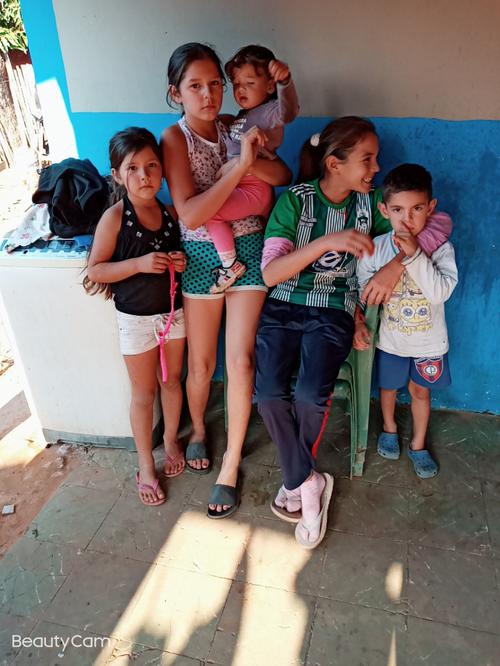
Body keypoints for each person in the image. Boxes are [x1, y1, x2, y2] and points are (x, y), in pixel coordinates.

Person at [254, 116, 451, 548]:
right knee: (267, 395)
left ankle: (297, 483)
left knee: (309, 395)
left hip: (334, 310)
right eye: (367, 159)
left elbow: (437, 226)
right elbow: (270, 273)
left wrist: (394, 266)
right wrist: (327, 242)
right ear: (334, 164)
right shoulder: (296, 202)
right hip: (283, 306)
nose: (376, 168)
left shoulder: (372, 204)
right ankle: (307, 481)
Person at [161, 42, 291, 518]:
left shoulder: (236, 124)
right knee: (201, 364)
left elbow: (282, 172)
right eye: (195, 86)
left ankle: (231, 465)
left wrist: (250, 162)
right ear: (176, 93)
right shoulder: (174, 139)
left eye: (215, 83)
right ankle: (198, 429)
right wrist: (239, 169)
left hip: (251, 249)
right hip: (201, 256)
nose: (209, 94)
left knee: (240, 360)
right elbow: (192, 213)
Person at [84, 127, 187, 506]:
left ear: (162, 170)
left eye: (152, 166)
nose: (144, 176)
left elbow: (182, 259)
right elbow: (96, 270)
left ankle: (171, 440)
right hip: (135, 321)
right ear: (117, 175)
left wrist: (179, 262)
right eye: (133, 168)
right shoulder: (115, 218)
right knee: (143, 394)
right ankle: (145, 464)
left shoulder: (171, 214)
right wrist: (139, 264)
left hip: (173, 315)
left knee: (172, 382)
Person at [355, 163, 458, 478]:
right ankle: (388, 427)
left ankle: (418, 443)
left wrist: (414, 256)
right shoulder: (376, 248)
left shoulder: (441, 249)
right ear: (384, 210)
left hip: (429, 343)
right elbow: (363, 288)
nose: (407, 219)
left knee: (421, 392)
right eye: (398, 209)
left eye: (417, 209)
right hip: (391, 340)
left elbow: (440, 292)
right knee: (387, 388)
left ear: (431, 208)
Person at [204, 44, 300, 293]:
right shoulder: (242, 116)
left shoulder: (269, 112)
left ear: (269, 86)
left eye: (249, 83)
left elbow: (289, 112)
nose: (240, 89)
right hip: (243, 184)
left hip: (254, 186)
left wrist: (285, 82)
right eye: (236, 84)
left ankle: (230, 265)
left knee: (209, 213)